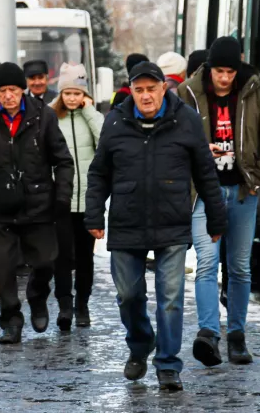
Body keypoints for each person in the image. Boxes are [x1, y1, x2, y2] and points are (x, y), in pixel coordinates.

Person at [85, 61, 227, 391]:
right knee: (128, 295)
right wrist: (93, 215)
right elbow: (99, 173)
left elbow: (206, 173)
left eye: (152, 89)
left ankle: (168, 364)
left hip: (172, 222)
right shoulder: (116, 121)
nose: (146, 96)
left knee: (172, 298)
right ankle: (140, 343)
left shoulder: (186, 120)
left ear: (164, 88)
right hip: (126, 222)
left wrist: (216, 219)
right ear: (130, 91)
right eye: (139, 90)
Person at [179, 36, 260, 367]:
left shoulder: (255, 91)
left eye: (229, 71)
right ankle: (209, 334)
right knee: (207, 263)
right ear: (208, 68)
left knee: (239, 267)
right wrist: (197, 156)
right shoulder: (188, 94)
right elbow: (172, 139)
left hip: (243, 192)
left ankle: (237, 336)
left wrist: (258, 178)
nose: (224, 78)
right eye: (218, 71)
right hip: (203, 194)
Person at [0, 62, 74, 344]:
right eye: (3, 91)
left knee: (45, 262)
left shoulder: (43, 116)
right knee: (1, 268)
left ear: (22, 90)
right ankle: (11, 319)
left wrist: (62, 197)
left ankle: (37, 296)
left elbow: (63, 161)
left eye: (13, 90)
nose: (8, 96)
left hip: (39, 204)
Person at [50, 63, 104, 330]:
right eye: (67, 93)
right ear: (61, 93)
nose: (72, 98)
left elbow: (104, 143)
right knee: (61, 256)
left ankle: (83, 304)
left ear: (85, 94)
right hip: (60, 200)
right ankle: (64, 305)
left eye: (77, 93)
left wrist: (90, 111)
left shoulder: (91, 116)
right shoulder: (51, 117)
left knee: (85, 257)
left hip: (87, 199)